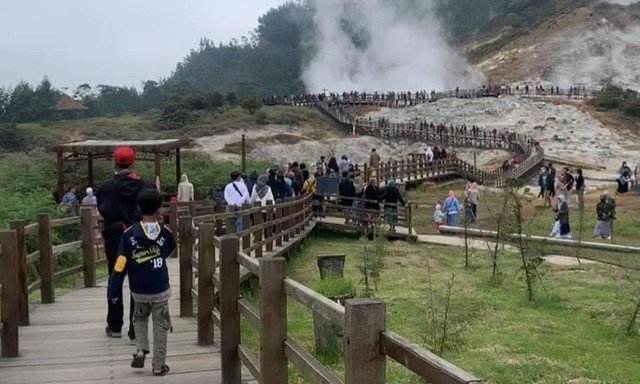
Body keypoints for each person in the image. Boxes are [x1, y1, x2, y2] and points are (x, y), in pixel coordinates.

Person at [107, 189, 175, 376]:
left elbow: (121, 262)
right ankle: (158, 365)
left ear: (138, 208)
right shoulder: (165, 232)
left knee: (139, 318)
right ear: (160, 208)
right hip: (160, 286)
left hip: (138, 289)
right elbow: (169, 249)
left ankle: (140, 349)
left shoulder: (129, 234)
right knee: (161, 324)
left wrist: (114, 287)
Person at [97, 146, 156, 341]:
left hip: (116, 241)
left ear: (114, 162)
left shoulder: (105, 188)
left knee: (115, 279)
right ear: (134, 161)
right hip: (140, 240)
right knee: (137, 281)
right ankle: (135, 329)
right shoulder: (147, 186)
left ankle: (114, 326)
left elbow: (103, 210)